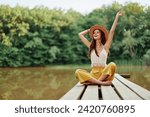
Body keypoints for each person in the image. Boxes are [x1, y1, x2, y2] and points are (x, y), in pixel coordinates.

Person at [75, 11, 122, 86]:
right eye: (94, 33)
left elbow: (112, 32)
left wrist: (117, 17)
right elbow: (80, 34)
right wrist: (89, 30)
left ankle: (93, 82)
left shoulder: (106, 47)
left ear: (101, 35)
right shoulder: (91, 46)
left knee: (112, 64)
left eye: (97, 32)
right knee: (78, 71)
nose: (95, 34)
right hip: (93, 74)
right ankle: (100, 83)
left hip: (104, 74)